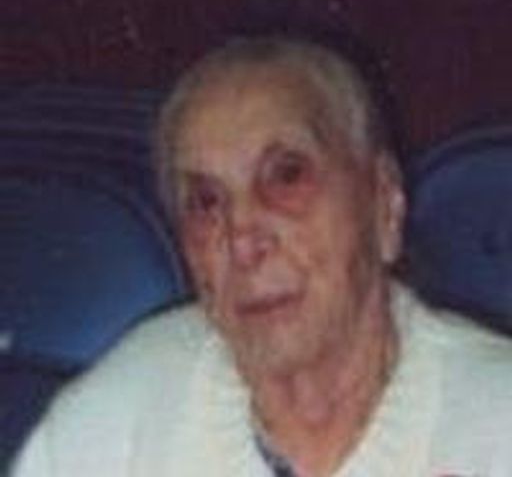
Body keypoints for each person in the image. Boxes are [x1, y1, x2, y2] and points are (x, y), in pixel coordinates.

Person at [11, 36, 512, 477]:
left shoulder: (495, 424)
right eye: (205, 202)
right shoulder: (127, 411)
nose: (242, 240)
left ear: (384, 205)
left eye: (286, 176)